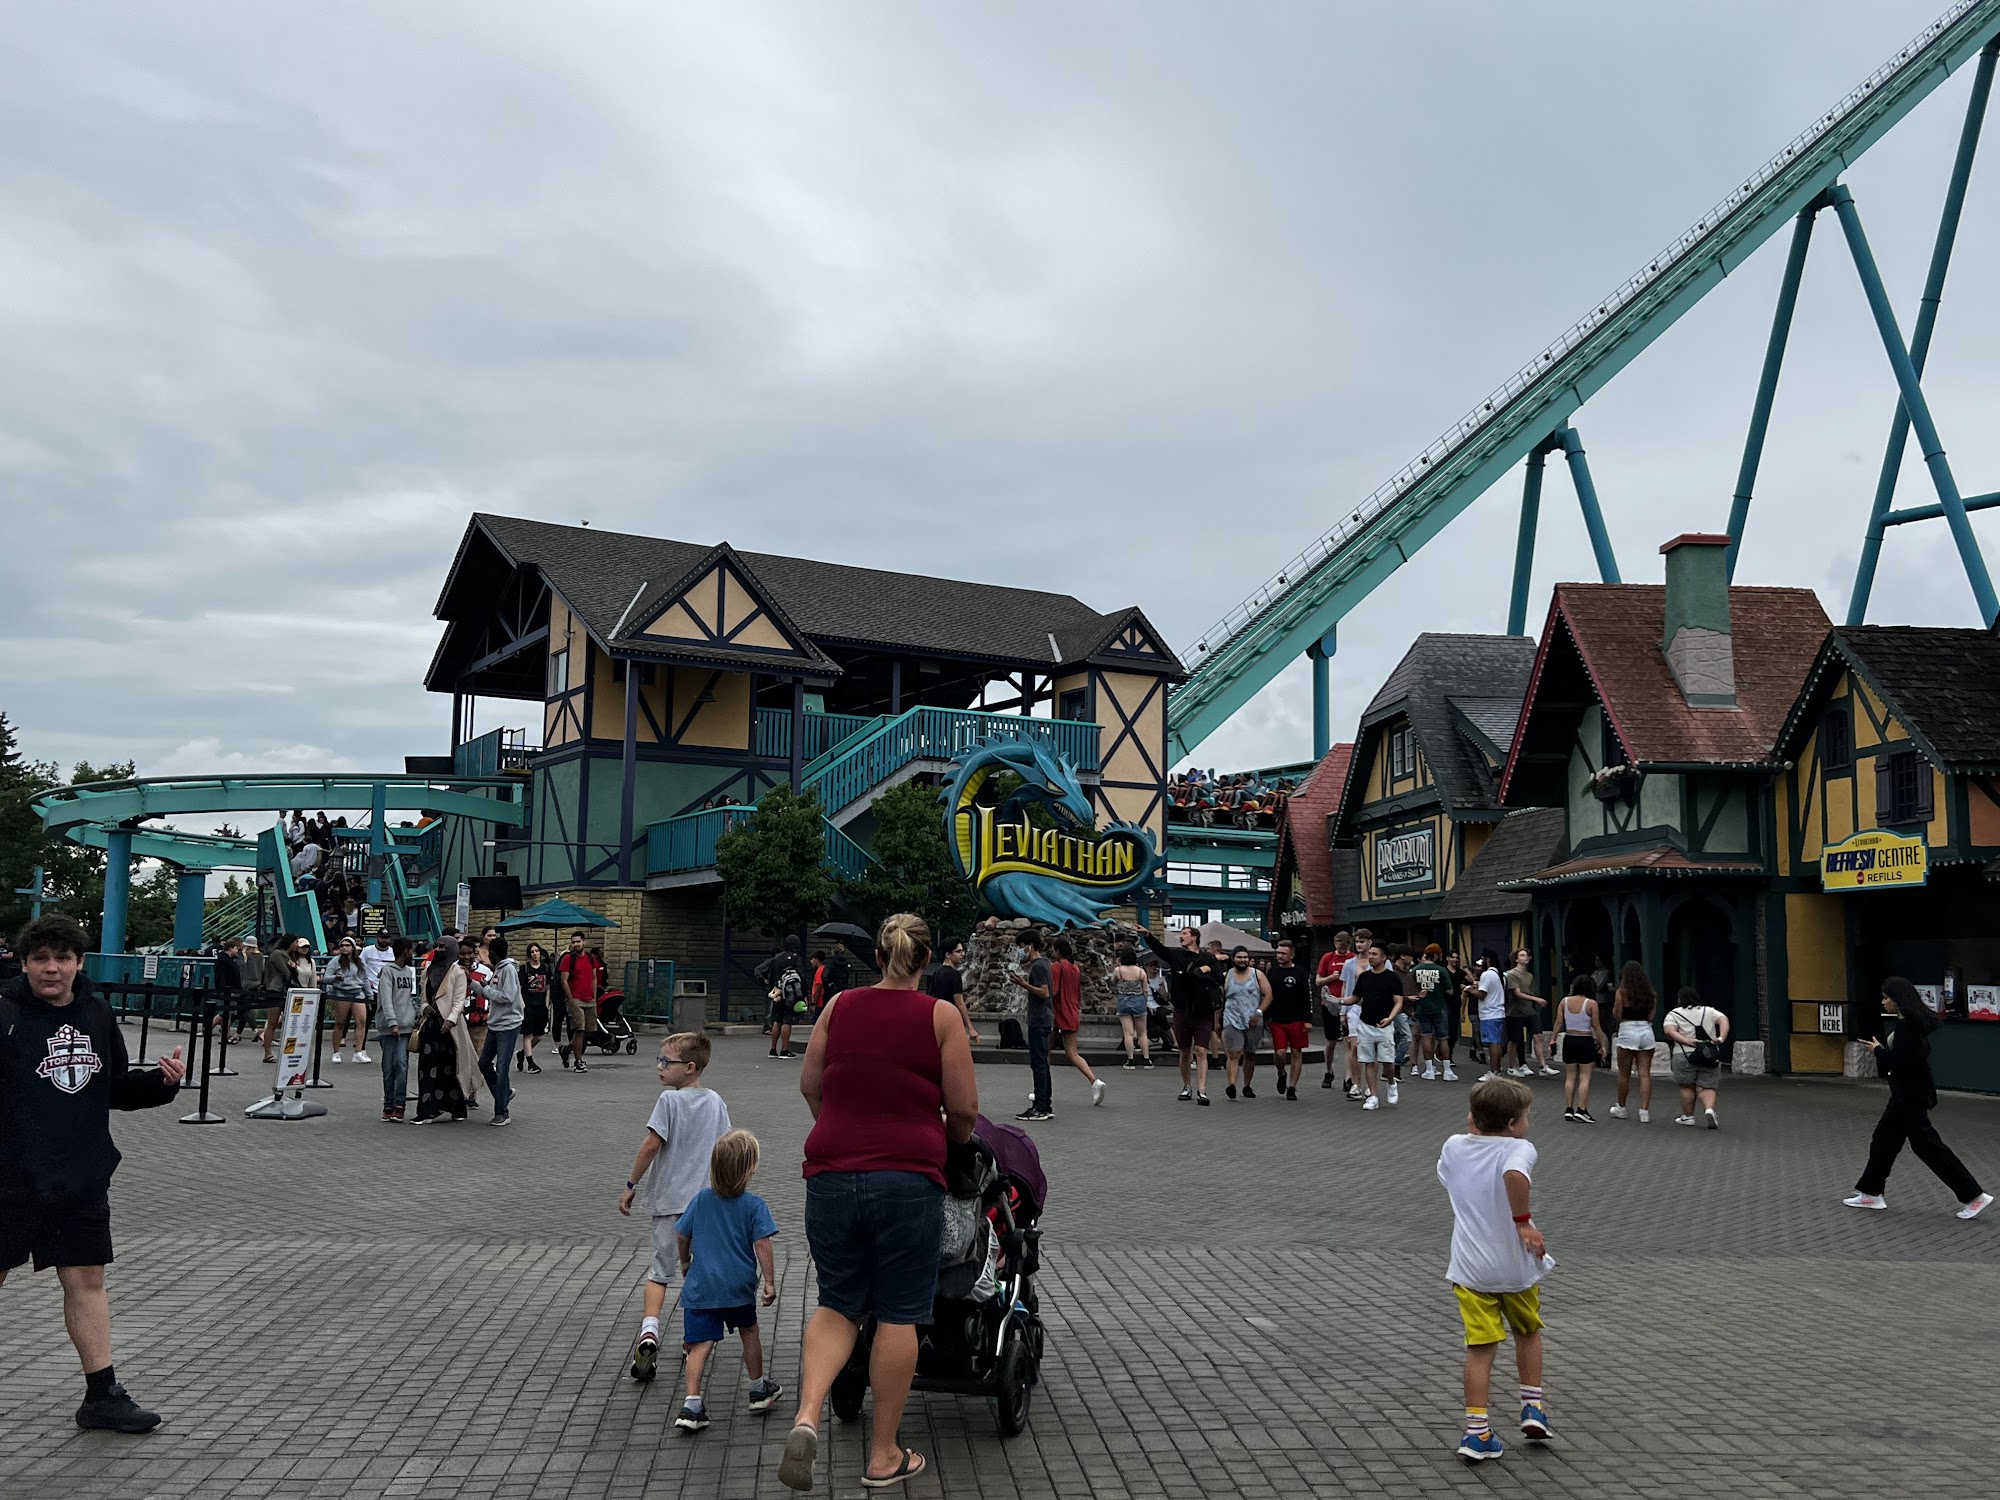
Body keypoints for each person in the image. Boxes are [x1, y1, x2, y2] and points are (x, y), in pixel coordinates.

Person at [780, 913, 978, 1493]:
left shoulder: (838, 1007)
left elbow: (809, 1084)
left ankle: (807, 1416)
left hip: (831, 1174)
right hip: (907, 1179)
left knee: (838, 1303)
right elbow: (964, 1109)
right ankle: (885, 1454)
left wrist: (839, 1129)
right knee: (899, 1311)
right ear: (926, 960)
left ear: (880, 957)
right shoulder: (940, 1016)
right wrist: (951, 1143)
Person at [0, 914, 188, 1433]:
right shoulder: (3, 1012)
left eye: (63, 958)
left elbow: (111, 1088)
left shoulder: (97, 1013)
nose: (52, 968)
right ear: (24, 963)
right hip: (9, 1181)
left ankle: (102, 1396)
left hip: (79, 1176)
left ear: (80, 963)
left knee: (86, 1279)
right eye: (41, 959)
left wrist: (161, 1085)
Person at [1437, 1077, 1553, 1462]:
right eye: (1526, 1116)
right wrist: (1523, 1221)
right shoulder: (1520, 1149)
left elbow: (1456, 1163)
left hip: (1471, 1270)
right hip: (1514, 1267)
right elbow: (1514, 1176)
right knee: (1528, 1331)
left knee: (1480, 1349)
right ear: (1513, 1124)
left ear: (1473, 1117)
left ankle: (1477, 1432)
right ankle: (1532, 1408)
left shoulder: (1454, 1147)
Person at [619, 1031, 731, 1382]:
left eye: (667, 1062)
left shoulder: (669, 1101)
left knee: (659, 1272)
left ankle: (650, 1331)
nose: (660, 1067)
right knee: (695, 1273)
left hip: (669, 1204)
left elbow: (652, 1145)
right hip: (706, 1205)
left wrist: (631, 1184)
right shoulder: (715, 1102)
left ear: (690, 1067)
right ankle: (691, 1340)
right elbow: (725, 1148)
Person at [1845, 977, 1992, 1219]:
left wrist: (1879, 1051)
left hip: (1907, 1098)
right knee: (1890, 1142)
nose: (1883, 1002)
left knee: (1920, 1146)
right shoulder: (1913, 1025)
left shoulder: (1907, 1028)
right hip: (1911, 1096)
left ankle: (1974, 1196)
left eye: (1886, 997)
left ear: (1898, 1000)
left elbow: (1902, 1063)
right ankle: (1871, 1193)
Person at [671, 1130, 782, 1431]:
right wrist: (769, 1282)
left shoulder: (701, 1200)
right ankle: (758, 1389)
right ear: (749, 1170)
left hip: (702, 1287)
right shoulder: (754, 1205)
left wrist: (685, 1262)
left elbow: (682, 1234)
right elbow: (762, 1244)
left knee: (699, 1345)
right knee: (749, 1331)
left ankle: (692, 1404)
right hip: (738, 1287)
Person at [1144, 927, 1223, 1105]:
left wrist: (1208, 970)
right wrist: (1148, 935)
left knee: (1201, 1050)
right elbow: (1160, 950)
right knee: (1185, 1051)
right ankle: (1187, 1086)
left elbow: (1220, 978)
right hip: (1182, 1010)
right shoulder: (1177, 956)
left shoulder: (1208, 958)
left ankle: (1202, 1090)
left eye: (1185, 933)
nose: (1181, 936)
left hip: (1203, 1011)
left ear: (1194, 937)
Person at [412, 937, 468, 1124]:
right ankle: (427, 1110)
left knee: (449, 1068)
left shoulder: (457, 972)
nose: (438, 949)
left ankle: (455, 1107)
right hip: (431, 1024)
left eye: (443, 947)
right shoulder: (429, 970)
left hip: (448, 1028)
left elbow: (459, 1000)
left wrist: (451, 1020)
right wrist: (424, 1007)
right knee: (427, 1068)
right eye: (437, 946)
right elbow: (423, 995)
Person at [1048, 935, 1105, 1107]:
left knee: (1045, 1052)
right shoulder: (1075, 968)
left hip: (1057, 1013)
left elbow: (1053, 992)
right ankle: (1094, 1081)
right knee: (1072, 1053)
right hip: (1072, 1012)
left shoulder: (1056, 967)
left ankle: (1043, 1090)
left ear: (1057, 951)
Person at [1662, 987, 1730, 1129]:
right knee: (1707, 1086)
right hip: (1708, 1054)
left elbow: (1669, 1031)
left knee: (1686, 1086)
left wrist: (1686, 1041)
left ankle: (1688, 1116)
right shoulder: (1709, 1011)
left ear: (1680, 999)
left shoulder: (1674, 1014)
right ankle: (1709, 1109)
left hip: (1683, 1054)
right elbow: (1724, 1019)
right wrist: (1721, 1037)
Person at [1008, 929, 1056, 1121]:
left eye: (1021, 947)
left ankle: (1040, 1108)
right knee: (1042, 1062)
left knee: (1038, 1064)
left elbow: (1044, 993)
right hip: (1044, 1019)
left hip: (1039, 1020)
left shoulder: (1038, 966)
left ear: (1030, 946)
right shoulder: (1043, 964)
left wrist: (1023, 984)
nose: (1020, 951)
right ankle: (1045, 1104)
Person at [1350, 944, 1404, 1110]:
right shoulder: (1364, 977)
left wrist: (1390, 1018)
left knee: (1387, 1061)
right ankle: (1373, 1096)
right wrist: (1337, 1001)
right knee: (1368, 1061)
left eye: (1374, 954)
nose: (1371, 956)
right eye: (1369, 954)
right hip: (1365, 1024)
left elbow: (1399, 1001)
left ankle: (1391, 1082)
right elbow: (1354, 997)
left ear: (1384, 958)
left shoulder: (1392, 977)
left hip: (1384, 1025)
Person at [477, 934, 523, 1127]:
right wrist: (475, 985)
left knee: (502, 1067)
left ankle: (502, 1111)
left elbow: (507, 996)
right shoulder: (497, 970)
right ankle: (503, 1094)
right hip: (495, 1024)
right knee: (484, 1063)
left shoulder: (508, 970)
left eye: (491, 954)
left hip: (508, 1025)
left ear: (495, 953)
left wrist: (487, 990)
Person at [374, 937, 419, 1121]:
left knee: (401, 1064)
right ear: (405, 951)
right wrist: (392, 1022)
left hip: (405, 1025)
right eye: (411, 950)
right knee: (388, 1067)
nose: (413, 954)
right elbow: (386, 998)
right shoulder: (387, 972)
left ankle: (399, 1104)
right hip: (389, 1027)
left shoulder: (409, 972)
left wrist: (417, 1012)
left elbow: (407, 998)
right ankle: (388, 1103)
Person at [1607, 961, 1658, 1123]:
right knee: (1645, 1074)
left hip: (1628, 1029)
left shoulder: (1621, 992)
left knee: (1624, 1073)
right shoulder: (1651, 994)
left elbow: (1618, 1014)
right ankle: (1644, 1112)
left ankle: (1621, 1107)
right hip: (1646, 1030)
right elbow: (1651, 1018)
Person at [1262, 939, 1311, 1100]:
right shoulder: (1272, 973)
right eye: (1278, 953)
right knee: (1280, 1053)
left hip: (1297, 1019)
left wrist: (1307, 1019)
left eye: (1283, 953)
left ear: (1292, 955)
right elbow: (1268, 996)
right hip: (1277, 1020)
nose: (1280, 956)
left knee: (1297, 1053)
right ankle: (1281, 1072)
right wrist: (1266, 1017)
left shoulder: (1301, 974)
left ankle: (1292, 1087)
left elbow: (1306, 997)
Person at [1219, 946, 1270, 1100]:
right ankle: (1232, 1084)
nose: (1242, 960)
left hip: (1253, 1020)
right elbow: (1220, 999)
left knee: (1250, 1054)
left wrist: (1259, 1012)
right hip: (1231, 1019)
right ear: (1233, 959)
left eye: (1245, 957)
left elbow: (1268, 995)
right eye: (1239, 957)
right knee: (1234, 1053)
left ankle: (1247, 1085)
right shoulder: (1226, 976)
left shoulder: (1257, 975)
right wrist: (1217, 1020)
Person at [1555, 977, 1608, 1123]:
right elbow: (1596, 1026)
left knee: (1570, 1076)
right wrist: (1603, 1044)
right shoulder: (1591, 1003)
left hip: (1569, 1039)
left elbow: (1559, 1022)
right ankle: (1582, 1109)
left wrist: (1553, 1039)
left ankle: (1568, 1109)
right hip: (1585, 1040)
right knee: (1585, 1077)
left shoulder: (1564, 1002)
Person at [558, 931, 605, 1073]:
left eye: (578, 941)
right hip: (575, 999)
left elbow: (594, 978)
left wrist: (594, 997)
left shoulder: (591, 958)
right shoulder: (567, 959)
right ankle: (579, 1061)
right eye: (573, 942)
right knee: (579, 1030)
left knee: (588, 1032)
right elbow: (564, 980)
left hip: (589, 999)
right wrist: (570, 999)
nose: (576, 944)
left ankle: (566, 1050)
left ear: (584, 942)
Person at [321, 937, 371, 1065]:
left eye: (347, 945)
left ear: (353, 947)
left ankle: (359, 1051)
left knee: (361, 1021)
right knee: (340, 1023)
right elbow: (326, 978)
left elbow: (365, 979)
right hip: (341, 993)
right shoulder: (335, 961)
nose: (344, 947)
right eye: (342, 945)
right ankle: (336, 1052)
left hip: (357, 993)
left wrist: (369, 995)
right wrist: (335, 978)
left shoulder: (359, 961)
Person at [1316, 930, 1355, 1091]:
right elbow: (1318, 981)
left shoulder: (1353, 959)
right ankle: (1328, 1071)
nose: (1342, 948)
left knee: (1349, 1041)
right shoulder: (1328, 958)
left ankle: (1348, 1077)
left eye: (1345, 945)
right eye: (1339, 944)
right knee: (1331, 1041)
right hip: (1330, 1003)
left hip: (1348, 1003)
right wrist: (1331, 978)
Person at [1411, 944, 1457, 1081]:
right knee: (1443, 1038)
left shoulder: (1416, 970)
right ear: (1436, 956)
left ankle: (1429, 1069)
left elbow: (1410, 989)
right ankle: (1447, 1070)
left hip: (1422, 1008)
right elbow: (1450, 991)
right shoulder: (1441, 970)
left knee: (1426, 1037)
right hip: (1439, 1007)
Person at [1502, 951, 1549, 1079]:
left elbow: (1531, 990)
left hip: (1529, 1011)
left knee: (1538, 1036)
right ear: (1516, 959)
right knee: (1515, 1040)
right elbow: (1517, 993)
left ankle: (1543, 1066)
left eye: (1527, 955)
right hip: (1515, 1012)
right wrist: (1536, 999)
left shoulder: (1529, 975)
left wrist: (1534, 997)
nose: (1526, 957)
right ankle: (1511, 1066)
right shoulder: (1511, 974)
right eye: (1522, 955)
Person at [517, 941, 559, 1073]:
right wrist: (522, 1004)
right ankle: (530, 1063)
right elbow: (519, 988)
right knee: (527, 1034)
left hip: (541, 1004)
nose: (535, 954)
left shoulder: (546, 968)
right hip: (528, 1004)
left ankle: (522, 1053)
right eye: (532, 952)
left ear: (540, 953)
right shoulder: (525, 969)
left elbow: (547, 988)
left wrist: (547, 1004)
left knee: (539, 1035)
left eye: (536, 951)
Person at [925, 937, 977, 1043]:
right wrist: (970, 1028)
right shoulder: (954, 974)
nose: (962, 954)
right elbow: (959, 1002)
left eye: (963, 950)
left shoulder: (937, 972)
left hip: (936, 1018)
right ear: (948, 954)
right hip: (950, 1019)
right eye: (958, 951)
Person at [1111, 942, 1153, 1069]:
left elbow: (1113, 983)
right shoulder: (1141, 972)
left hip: (1123, 1001)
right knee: (1142, 1033)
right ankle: (1146, 1060)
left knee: (1128, 1033)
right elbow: (1145, 990)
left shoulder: (1118, 971)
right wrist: (1144, 1003)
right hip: (1138, 1000)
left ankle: (1130, 1060)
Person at [1474, 954, 1508, 1082]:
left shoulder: (1486, 975)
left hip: (1489, 1014)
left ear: (1487, 960)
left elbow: (1482, 994)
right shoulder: (1500, 976)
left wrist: (1469, 990)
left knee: (1492, 1043)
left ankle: (1494, 1071)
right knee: (1497, 1043)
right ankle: (1496, 1070)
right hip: (1499, 1012)